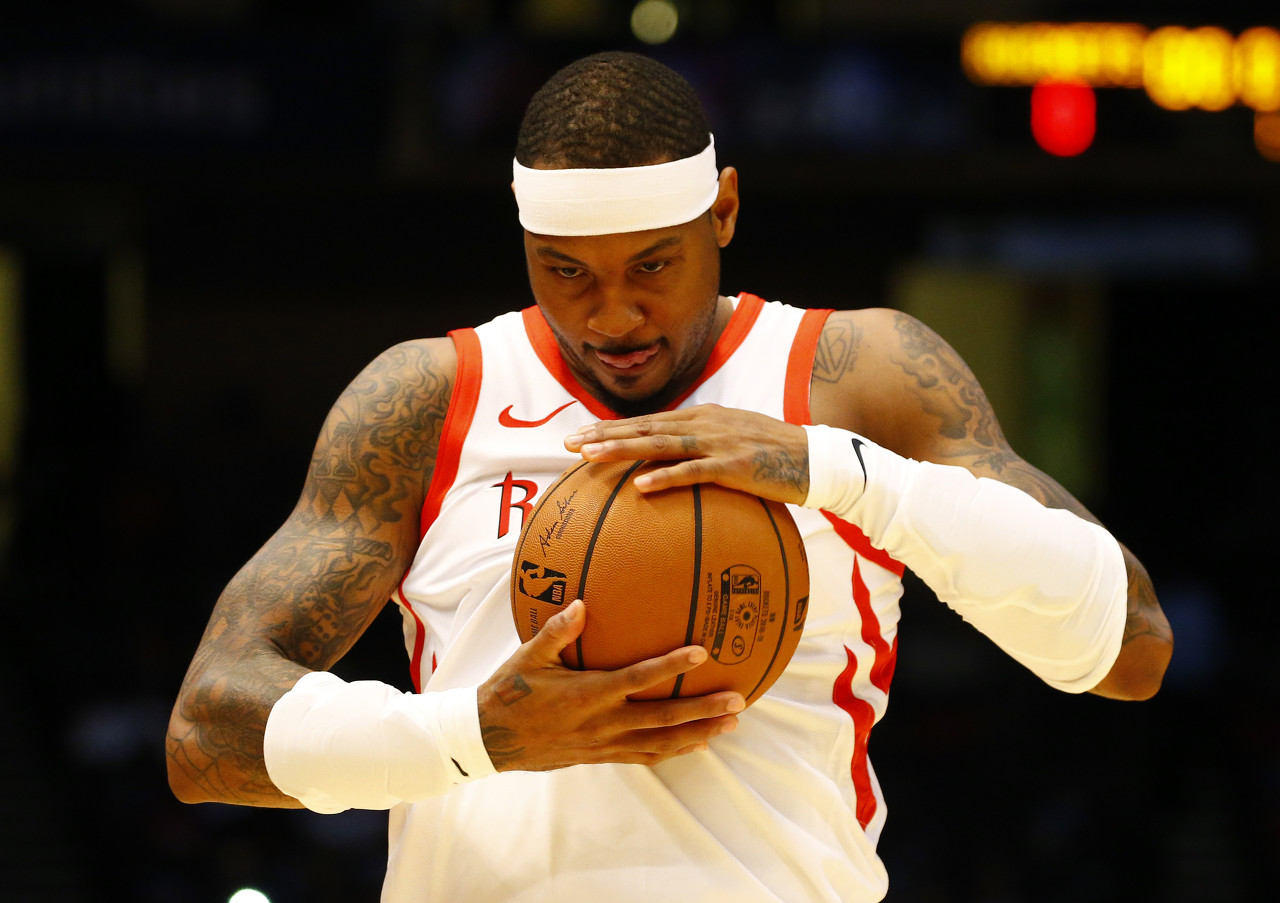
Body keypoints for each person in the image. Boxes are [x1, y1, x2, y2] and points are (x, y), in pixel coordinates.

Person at [166, 51, 1173, 902]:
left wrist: (839, 473)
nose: (611, 316)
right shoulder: (430, 398)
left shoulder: (852, 379)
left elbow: (1129, 649)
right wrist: (473, 735)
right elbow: (205, 732)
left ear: (723, 210)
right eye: (566, 271)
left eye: (652, 265)